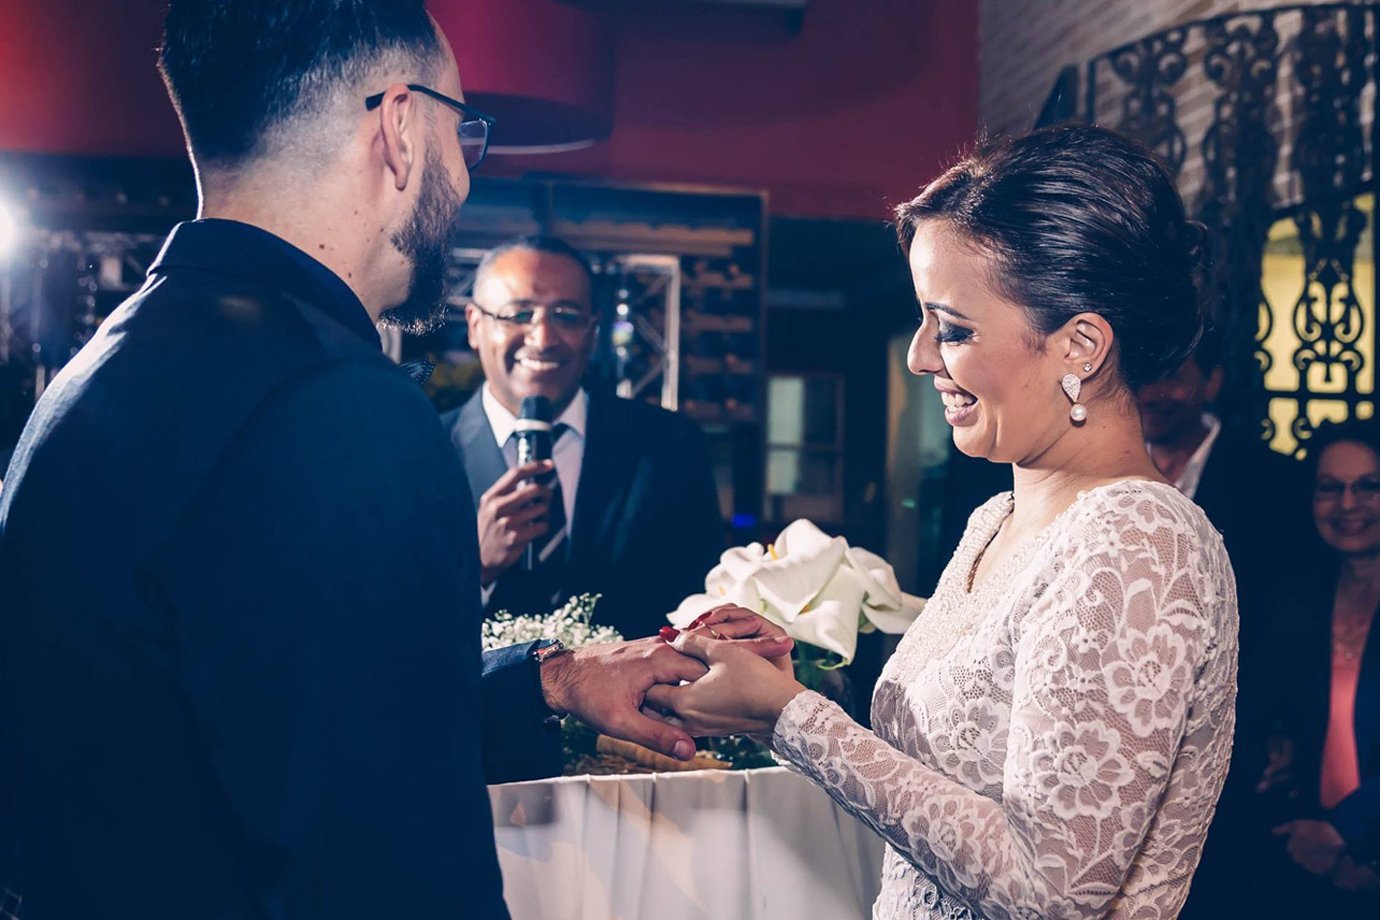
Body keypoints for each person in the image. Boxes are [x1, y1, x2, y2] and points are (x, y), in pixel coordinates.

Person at [0, 3, 789, 918]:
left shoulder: (107, 370)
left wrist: (552, 679)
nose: (464, 172)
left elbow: (272, 714)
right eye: (467, 133)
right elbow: (386, 858)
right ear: (403, 127)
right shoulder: (336, 402)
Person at [649, 125, 1239, 918]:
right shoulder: (995, 517)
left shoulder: (1137, 539)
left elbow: (1053, 891)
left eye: (953, 328)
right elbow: (946, 783)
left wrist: (789, 717)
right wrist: (790, 686)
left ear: (1082, 346)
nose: (919, 357)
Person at [442, 235, 723, 639]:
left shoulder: (669, 447)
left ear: (593, 331)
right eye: (519, 315)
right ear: (474, 325)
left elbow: (701, 607)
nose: (542, 338)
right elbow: (389, 621)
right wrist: (475, 567)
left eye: (567, 316)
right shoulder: (425, 450)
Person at [1139, 334, 1312, 918]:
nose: (1155, 392)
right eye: (1145, 376)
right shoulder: (1105, 470)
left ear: (1211, 382)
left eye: (1172, 375)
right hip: (1127, 729)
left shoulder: (1273, 479)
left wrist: (1274, 724)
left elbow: (1287, 612)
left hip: (1236, 732)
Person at [1259, 419, 1380, 913]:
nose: (1348, 506)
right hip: (1308, 861)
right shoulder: (1299, 600)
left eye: (1369, 487)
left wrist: (1345, 831)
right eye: (1330, 488)